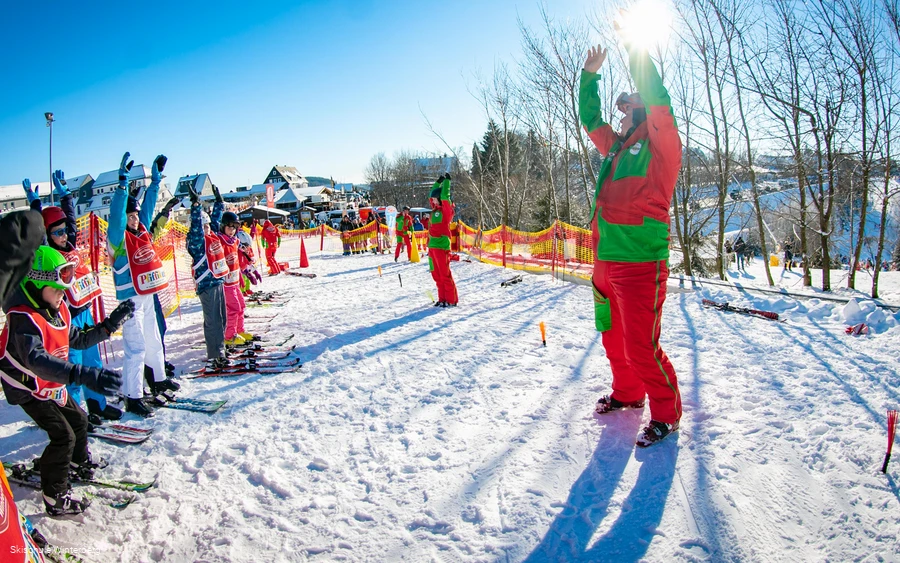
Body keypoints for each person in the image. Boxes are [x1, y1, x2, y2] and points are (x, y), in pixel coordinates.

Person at [579, 32, 682, 447]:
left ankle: (666, 413)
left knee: (642, 345)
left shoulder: (662, 149)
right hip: (606, 262)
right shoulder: (617, 149)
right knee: (613, 338)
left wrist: (635, 46)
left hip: (641, 263)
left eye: (626, 111)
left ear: (642, 115)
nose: (618, 118)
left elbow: (660, 101)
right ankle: (627, 394)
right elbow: (591, 121)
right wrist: (589, 78)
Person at [1, 245, 133, 515]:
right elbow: (35, 360)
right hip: (27, 387)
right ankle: (55, 496)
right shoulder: (23, 319)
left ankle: (75, 462)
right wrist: (82, 374)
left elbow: (80, 339)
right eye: (58, 290)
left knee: (80, 421)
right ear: (37, 285)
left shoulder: (57, 310)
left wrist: (109, 324)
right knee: (63, 436)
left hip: (49, 384)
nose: (62, 296)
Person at [23, 172, 123, 422]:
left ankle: (97, 404)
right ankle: (76, 415)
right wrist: (35, 204)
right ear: (48, 235)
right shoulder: (48, 254)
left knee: (93, 361)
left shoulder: (71, 245)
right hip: (66, 318)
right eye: (57, 233)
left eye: (65, 231)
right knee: (74, 366)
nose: (63, 236)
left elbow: (68, 217)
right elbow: (40, 230)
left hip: (85, 312)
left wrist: (66, 193)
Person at [106, 152, 172, 417]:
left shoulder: (142, 229)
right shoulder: (118, 239)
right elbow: (116, 217)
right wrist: (122, 186)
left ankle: (158, 379)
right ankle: (133, 395)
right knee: (136, 347)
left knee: (154, 339)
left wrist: (155, 183)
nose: (134, 220)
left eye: (135, 216)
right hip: (129, 299)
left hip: (146, 294)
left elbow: (148, 207)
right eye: (130, 216)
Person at [186, 184, 232, 364]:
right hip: (207, 286)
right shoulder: (196, 242)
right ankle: (216, 354)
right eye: (203, 226)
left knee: (222, 318)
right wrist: (196, 206)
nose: (206, 229)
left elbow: (214, 221)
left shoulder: (211, 235)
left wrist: (219, 203)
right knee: (212, 321)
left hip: (218, 282)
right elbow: (197, 228)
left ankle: (221, 347)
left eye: (207, 226)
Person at [216, 205, 254, 344]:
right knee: (233, 308)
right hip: (225, 284)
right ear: (223, 227)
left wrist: (240, 277)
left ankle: (239, 330)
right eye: (229, 227)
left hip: (234, 281)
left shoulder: (235, 241)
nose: (231, 231)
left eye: (233, 228)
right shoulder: (220, 240)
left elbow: (236, 261)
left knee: (242, 305)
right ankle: (229, 336)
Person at [427, 174, 459, 307]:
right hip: (432, 247)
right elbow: (431, 195)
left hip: (441, 246)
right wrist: (437, 182)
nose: (432, 201)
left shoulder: (446, 212)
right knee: (436, 274)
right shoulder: (434, 210)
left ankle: (451, 300)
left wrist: (446, 182)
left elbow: (445, 196)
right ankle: (442, 299)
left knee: (445, 274)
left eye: (435, 199)